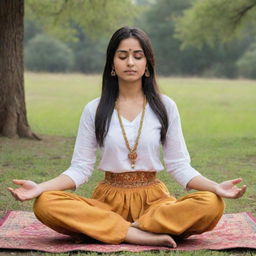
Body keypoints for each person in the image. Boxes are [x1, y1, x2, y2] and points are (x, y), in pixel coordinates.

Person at [8, 26, 247, 248]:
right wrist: (39, 188)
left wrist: (215, 186)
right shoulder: (94, 109)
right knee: (45, 203)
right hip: (107, 203)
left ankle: (126, 228)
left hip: (155, 203)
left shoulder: (165, 106)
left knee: (212, 203)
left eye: (137, 56)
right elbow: (80, 169)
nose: (130, 62)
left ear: (147, 63)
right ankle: (136, 234)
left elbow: (179, 165)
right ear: (112, 63)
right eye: (122, 56)